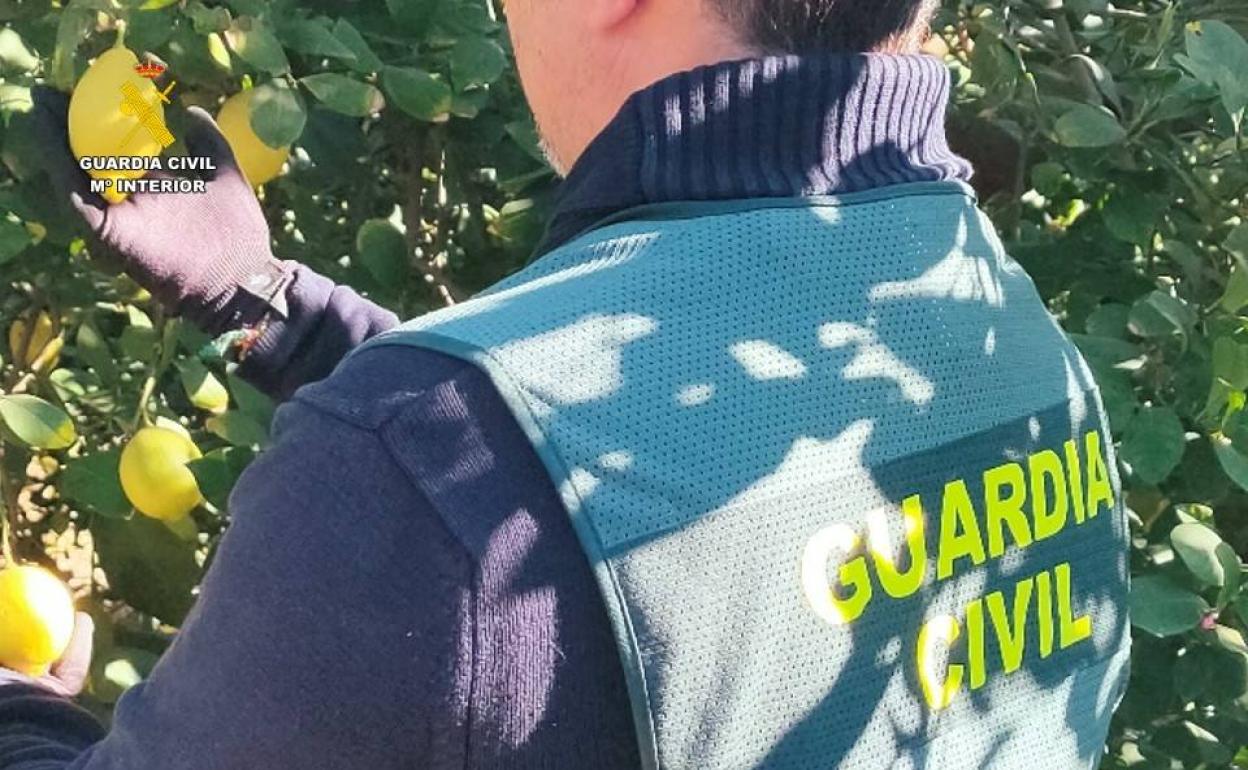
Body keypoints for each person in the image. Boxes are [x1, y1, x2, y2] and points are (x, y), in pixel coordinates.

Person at [2, 0, 1132, 767]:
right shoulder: (1005, 332)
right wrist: (265, 299)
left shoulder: (400, 470)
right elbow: (590, 499)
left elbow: (487, 516)